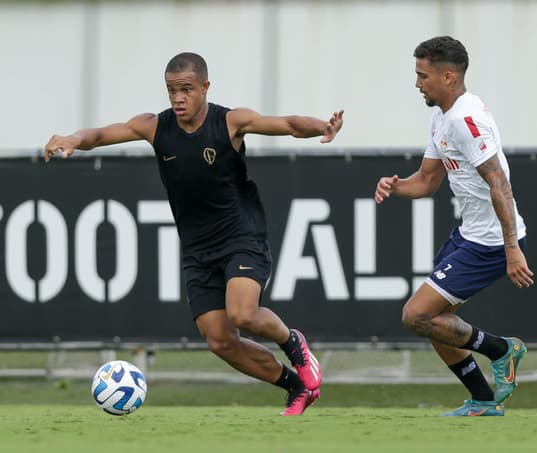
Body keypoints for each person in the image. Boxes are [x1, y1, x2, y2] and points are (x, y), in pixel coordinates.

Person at [45, 52, 344, 416]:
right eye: (172, 90)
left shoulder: (230, 122)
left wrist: (322, 127)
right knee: (220, 341)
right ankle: (295, 386)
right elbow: (101, 134)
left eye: (186, 89)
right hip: (197, 249)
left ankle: (293, 342)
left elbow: (288, 124)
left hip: (241, 236)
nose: (178, 98)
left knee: (243, 315)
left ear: (205, 86)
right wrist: (73, 138)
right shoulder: (155, 126)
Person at [374, 36, 534, 416]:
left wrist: (511, 247)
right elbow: (428, 181)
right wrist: (396, 187)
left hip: (492, 241)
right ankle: (482, 400)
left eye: (422, 75)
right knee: (433, 322)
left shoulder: (466, 118)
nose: (417, 83)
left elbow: (499, 183)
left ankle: (502, 350)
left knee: (416, 315)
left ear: (448, 76)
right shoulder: (440, 116)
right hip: (468, 234)